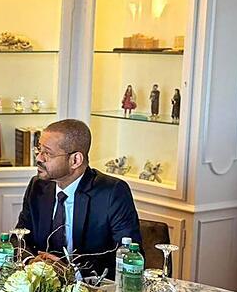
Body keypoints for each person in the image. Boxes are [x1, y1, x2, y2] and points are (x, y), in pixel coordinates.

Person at [15, 119, 142, 278]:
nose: (39, 158)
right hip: (42, 284)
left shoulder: (112, 192)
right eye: (39, 150)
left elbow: (128, 256)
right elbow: (19, 238)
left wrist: (73, 272)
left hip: (91, 287)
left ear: (75, 160)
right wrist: (30, 262)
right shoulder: (38, 186)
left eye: (47, 153)